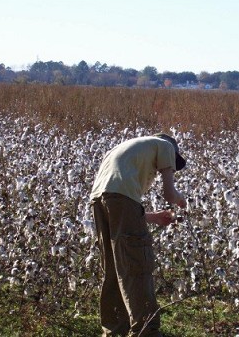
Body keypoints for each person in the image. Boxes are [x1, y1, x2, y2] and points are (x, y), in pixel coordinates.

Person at [90, 133, 187, 336]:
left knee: (114, 266)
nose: (165, 168)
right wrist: (180, 199)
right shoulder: (165, 146)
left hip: (97, 201)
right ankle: (146, 330)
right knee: (137, 265)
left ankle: (115, 330)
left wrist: (154, 217)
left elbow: (116, 203)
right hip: (120, 201)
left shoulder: (123, 150)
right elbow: (169, 194)